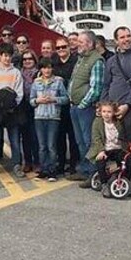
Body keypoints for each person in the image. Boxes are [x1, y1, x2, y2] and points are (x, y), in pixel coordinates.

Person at [100, 26, 131, 191]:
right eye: (122, 37)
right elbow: (106, 85)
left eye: (128, 36)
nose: (126, 39)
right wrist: (103, 106)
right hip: (112, 109)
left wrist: (127, 104)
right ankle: (124, 174)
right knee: (118, 145)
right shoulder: (111, 61)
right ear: (116, 40)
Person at [66, 31, 104, 182]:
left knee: (89, 141)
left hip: (85, 108)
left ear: (89, 44)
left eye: (81, 42)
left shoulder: (96, 61)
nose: (77, 45)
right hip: (74, 106)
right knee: (80, 140)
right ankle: (84, 169)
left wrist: (82, 104)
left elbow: (96, 88)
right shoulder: (81, 59)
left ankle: (93, 173)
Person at [0, 43, 25, 176]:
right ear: (0, 56)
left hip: (12, 111)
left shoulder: (16, 72)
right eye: (5, 56)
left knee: (14, 139)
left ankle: (17, 165)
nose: (7, 59)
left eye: (9, 56)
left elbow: (19, 93)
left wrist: (12, 106)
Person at [30, 58, 70, 181]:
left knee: (51, 145)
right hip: (39, 116)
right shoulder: (36, 82)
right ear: (40, 69)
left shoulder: (58, 81)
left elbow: (66, 98)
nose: (46, 70)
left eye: (49, 67)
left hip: (53, 116)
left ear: (52, 68)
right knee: (42, 146)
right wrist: (38, 101)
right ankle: (44, 169)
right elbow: (31, 100)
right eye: (44, 67)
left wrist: (54, 99)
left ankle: (52, 171)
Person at [86, 102, 130, 197]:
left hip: (117, 148)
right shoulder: (97, 122)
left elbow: (124, 137)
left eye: (109, 112)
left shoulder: (118, 123)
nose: (106, 114)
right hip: (104, 148)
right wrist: (101, 151)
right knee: (100, 162)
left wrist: (130, 147)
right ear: (100, 112)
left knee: (126, 160)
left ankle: (119, 177)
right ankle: (104, 184)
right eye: (104, 111)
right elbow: (96, 138)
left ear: (114, 112)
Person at [52, 36, 79, 175]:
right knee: (59, 136)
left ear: (69, 47)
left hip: (72, 103)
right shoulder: (53, 61)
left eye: (64, 47)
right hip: (57, 105)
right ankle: (60, 163)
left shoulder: (76, 61)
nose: (61, 50)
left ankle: (74, 164)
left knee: (73, 136)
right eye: (58, 48)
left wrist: (64, 80)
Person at [18, 50, 40, 174]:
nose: (27, 61)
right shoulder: (19, 73)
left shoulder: (39, 73)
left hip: (36, 105)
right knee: (25, 136)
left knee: (35, 136)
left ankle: (37, 162)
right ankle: (28, 162)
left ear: (34, 60)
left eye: (30, 59)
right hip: (22, 106)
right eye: (25, 59)